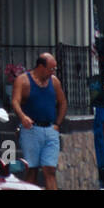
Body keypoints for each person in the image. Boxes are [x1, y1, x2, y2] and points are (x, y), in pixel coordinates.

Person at [10, 52, 68, 189]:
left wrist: (57, 124)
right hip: (31, 130)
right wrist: (22, 117)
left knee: (50, 170)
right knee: (32, 169)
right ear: (41, 67)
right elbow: (15, 101)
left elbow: (63, 102)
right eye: (51, 68)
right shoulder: (23, 81)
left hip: (50, 129)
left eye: (55, 69)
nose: (53, 72)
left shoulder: (54, 82)